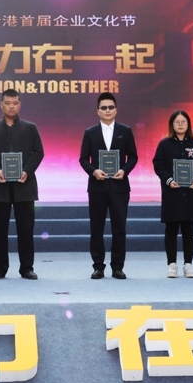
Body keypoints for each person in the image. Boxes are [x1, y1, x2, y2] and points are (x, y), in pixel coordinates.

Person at [0, 88, 44, 280]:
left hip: (25, 186)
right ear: (1, 105)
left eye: (15, 103)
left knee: (26, 230)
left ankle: (27, 268)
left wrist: (27, 171)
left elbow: (38, 152)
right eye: (7, 103)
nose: (11, 107)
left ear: (20, 105)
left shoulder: (30, 128)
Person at [78, 92, 138, 280]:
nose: (107, 110)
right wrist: (94, 171)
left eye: (111, 107)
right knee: (97, 228)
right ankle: (98, 266)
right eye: (103, 108)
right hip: (97, 187)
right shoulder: (90, 133)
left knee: (119, 228)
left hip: (120, 187)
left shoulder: (125, 131)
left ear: (116, 110)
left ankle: (117, 267)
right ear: (98, 111)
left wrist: (124, 171)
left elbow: (133, 157)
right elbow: (83, 159)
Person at [152, 110, 193, 278]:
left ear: (188, 124)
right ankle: (172, 264)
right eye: (177, 122)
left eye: (183, 121)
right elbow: (158, 165)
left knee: (189, 230)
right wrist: (168, 180)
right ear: (172, 125)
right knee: (171, 229)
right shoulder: (164, 144)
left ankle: (188, 265)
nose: (180, 124)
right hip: (172, 192)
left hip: (190, 193)